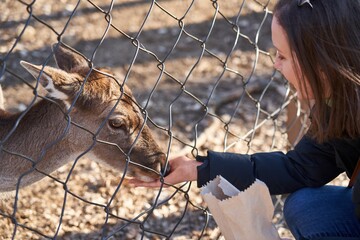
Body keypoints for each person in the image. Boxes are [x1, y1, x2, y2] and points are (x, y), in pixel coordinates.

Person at [130, 0, 360, 239]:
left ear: (321, 61)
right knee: (306, 206)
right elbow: (301, 167)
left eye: (282, 55)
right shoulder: (341, 100)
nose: (275, 64)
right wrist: (199, 169)